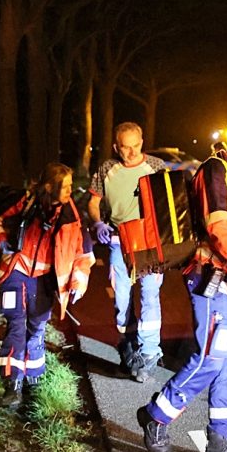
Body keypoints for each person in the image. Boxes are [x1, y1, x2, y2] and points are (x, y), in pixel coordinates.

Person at [138, 117, 227, 452]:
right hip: (216, 280)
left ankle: (221, 445)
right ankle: (156, 415)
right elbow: (217, 224)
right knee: (210, 359)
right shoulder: (219, 169)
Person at [0, 163, 94, 409]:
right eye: (64, 186)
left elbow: (83, 254)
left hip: (45, 278)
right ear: (49, 186)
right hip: (15, 272)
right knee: (16, 324)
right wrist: (2, 242)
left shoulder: (71, 217)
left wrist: (78, 281)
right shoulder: (24, 203)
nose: (70, 191)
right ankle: (12, 385)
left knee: (36, 327)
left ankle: (33, 380)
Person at [88, 122, 173, 382]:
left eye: (136, 146)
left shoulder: (157, 167)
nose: (133, 152)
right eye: (126, 148)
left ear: (142, 141)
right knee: (121, 298)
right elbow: (93, 202)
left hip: (149, 243)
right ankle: (128, 344)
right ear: (117, 147)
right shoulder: (107, 169)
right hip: (118, 241)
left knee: (149, 295)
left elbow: (169, 201)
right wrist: (97, 222)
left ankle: (149, 352)